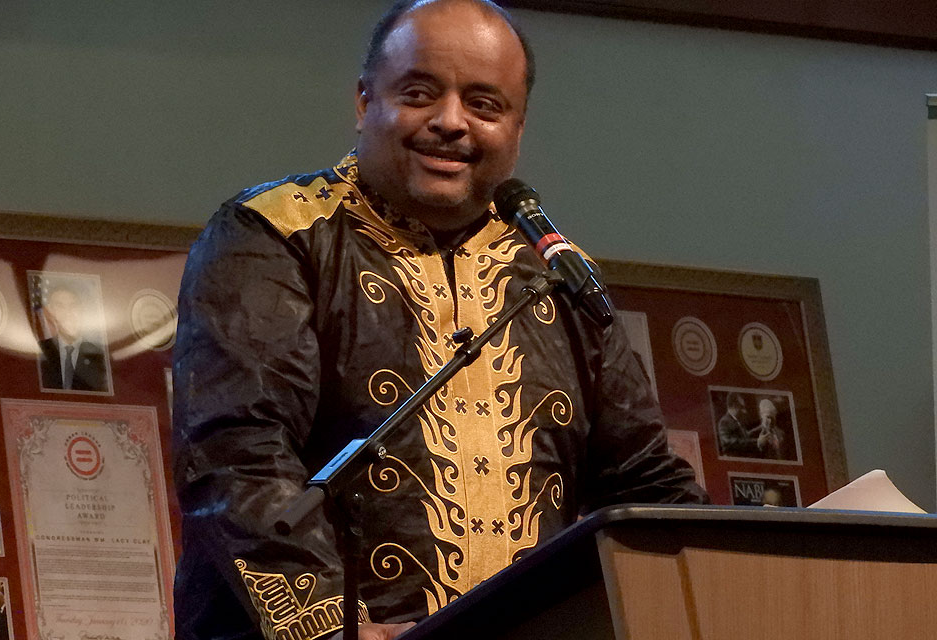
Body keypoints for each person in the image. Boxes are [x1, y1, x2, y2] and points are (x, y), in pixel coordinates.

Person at [172, 1, 707, 639]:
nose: (451, 122)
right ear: (365, 102)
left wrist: (730, 575)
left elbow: (644, 481)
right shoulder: (274, 235)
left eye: (484, 104)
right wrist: (330, 629)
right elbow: (238, 454)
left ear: (517, 127)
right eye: (420, 93)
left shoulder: (553, 274)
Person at [37, 286, 109, 392]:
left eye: (73, 305)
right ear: (50, 313)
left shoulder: (100, 356)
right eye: (60, 306)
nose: (68, 312)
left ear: (82, 310)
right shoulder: (38, 353)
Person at [717, 391, 758, 457]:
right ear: (734, 405)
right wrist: (757, 441)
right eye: (741, 407)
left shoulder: (738, 420)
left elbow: (744, 436)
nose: (745, 412)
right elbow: (728, 442)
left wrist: (759, 430)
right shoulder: (724, 422)